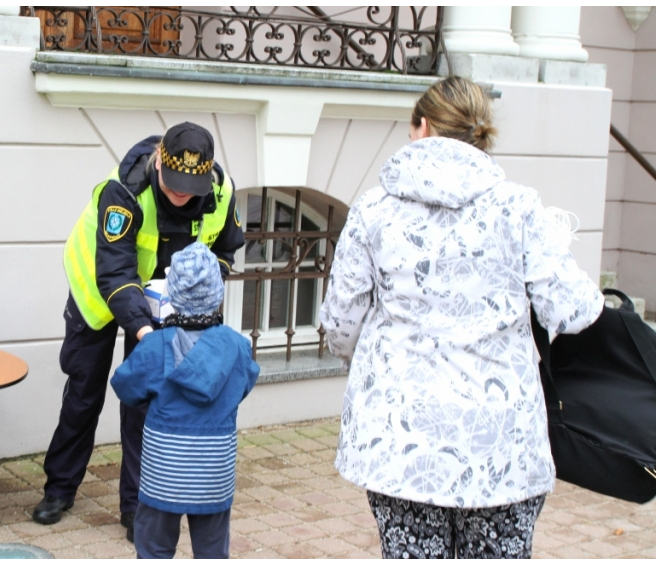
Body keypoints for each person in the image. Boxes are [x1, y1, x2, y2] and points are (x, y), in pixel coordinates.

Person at [319, 76, 605, 559]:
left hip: (401, 441)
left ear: (423, 126)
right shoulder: (520, 208)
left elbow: (341, 325)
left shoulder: (374, 209)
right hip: (500, 442)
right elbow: (574, 309)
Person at [33, 122, 246, 541]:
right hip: (101, 292)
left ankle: (135, 506)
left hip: (165, 303)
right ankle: (59, 489)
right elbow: (114, 270)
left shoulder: (220, 191)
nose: (182, 193)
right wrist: (146, 332)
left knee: (145, 405)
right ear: (158, 163)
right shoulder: (125, 191)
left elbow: (225, 249)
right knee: (84, 392)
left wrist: (194, 296)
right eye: (174, 184)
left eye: (191, 186)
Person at [111, 242, 259, 558]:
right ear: (218, 293)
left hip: (163, 473)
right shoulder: (236, 347)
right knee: (212, 552)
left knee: (153, 549)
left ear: (172, 295)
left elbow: (125, 386)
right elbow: (243, 384)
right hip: (213, 474)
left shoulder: (156, 346)